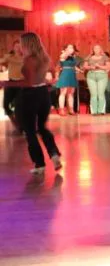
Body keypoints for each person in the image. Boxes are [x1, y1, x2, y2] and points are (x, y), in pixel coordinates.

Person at [13, 33, 62, 174]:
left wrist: (6, 83)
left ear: (26, 44)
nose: (20, 46)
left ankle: (39, 164)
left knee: (29, 131)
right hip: (43, 94)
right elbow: (40, 79)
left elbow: (30, 82)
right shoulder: (44, 58)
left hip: (29, 96)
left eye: (22, 43)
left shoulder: (29, 60)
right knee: (42, 127)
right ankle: (53, 154)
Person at [82, 45, 110, 116]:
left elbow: (108, 66)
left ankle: (101, 111)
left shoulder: (105, 57)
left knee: (100, 93)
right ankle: (94, 111)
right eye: (95, 48)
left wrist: (99, 66)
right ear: (93, 50)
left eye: (98, 48)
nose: (97, 49)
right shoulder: (89, 57)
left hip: (102, 76)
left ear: (101, 49)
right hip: (91, 76)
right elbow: (84, 66)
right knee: (93, 94)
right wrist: (90, 67)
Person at [1, 41, 24, 130]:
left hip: (21, 84)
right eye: (16, 46)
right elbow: (1, 60)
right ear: (13, 48)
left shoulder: (25, 58)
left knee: (18, 106)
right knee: (5, 105)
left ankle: (21, 126)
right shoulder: (9, 57)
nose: (18, 48)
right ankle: (15, 122)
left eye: (19, 47)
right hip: (11, 83)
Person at [56, 44, 79, 116]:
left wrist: (78, 69)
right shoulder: (63, 55)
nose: (71, 48)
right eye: (69, 47)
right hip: (65, 74)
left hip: (72, 74)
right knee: (63, 92)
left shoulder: (73, 56)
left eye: (72, 47)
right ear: (65, 49)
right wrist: (67, 52)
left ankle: (71, 109)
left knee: (71, 93)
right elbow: (63, 59)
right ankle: (61, 109)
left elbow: (73, 65)